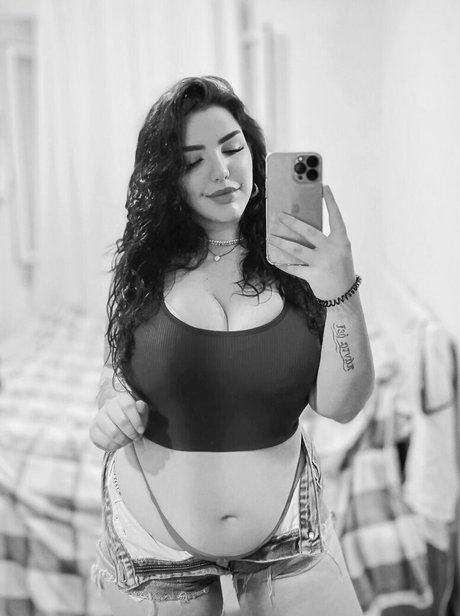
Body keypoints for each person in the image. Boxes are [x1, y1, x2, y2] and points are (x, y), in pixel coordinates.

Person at [90, 75, 374, 616]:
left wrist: (342, 286)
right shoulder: (145, 268)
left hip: (290, 534)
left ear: (253, 153)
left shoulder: (300, 265)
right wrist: (110, 407)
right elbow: (116, 374)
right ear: (168, 178)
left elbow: (341, 405)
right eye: (192, 161)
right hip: (155, 551)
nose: (221, 171)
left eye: (232, 148)